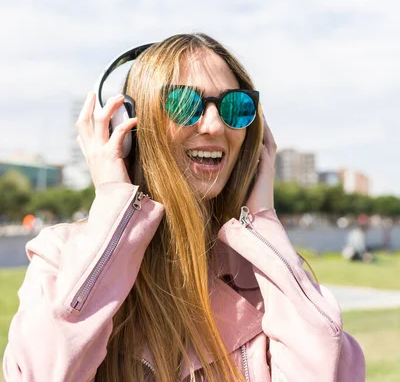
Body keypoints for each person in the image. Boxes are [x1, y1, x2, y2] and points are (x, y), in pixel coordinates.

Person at [3, 33, 366, 382]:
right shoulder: (62, 258)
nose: (213, 125)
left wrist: (264, 222)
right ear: (128, 128)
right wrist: (114, 203)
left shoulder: (268, 276)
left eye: (236, 108)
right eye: (182, 104)